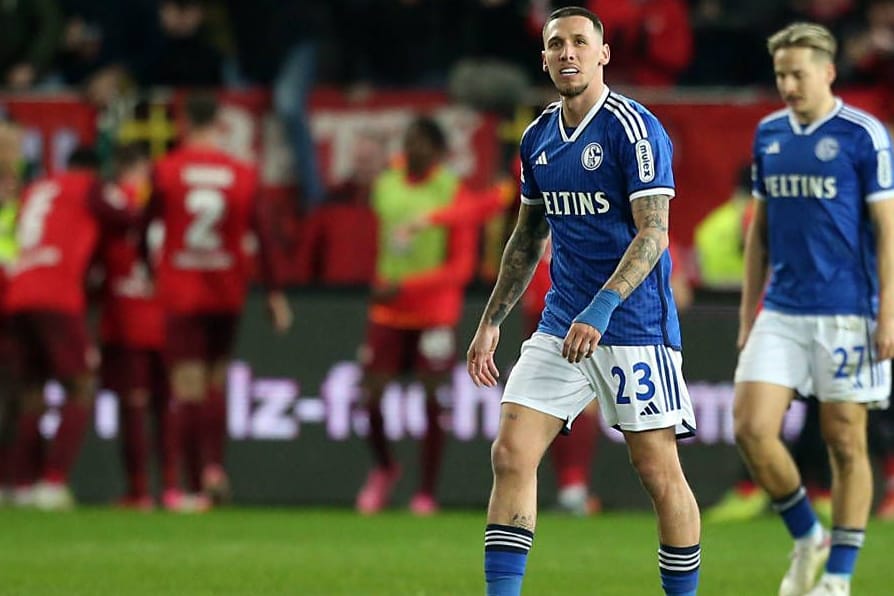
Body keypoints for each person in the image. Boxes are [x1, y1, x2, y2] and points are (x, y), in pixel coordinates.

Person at [466, 7, 700, 596]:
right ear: (543, 58)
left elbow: (654, 232)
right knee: (511, 453)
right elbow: (527, 236)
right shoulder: (539, 137)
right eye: (555, 44)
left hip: (634, 324)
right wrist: (491, 320)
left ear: (603, 54)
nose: (567, 52)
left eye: (579, 42)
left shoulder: (633, 129)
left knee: (656, 470)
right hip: (560, 322)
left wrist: (602, 309)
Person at [734, 22, 894, 596]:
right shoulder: (770, 134)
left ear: (827, 72)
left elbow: (887, 228)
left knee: (845, 439)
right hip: (782, 307)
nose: (788, 84)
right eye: (780, 74)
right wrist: (749, 311)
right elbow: (760, 231)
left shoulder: (862, 135)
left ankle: (839, 579)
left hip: (848, 310)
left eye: (797, 73)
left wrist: (889, 313)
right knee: (751, 428)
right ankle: (808, 535)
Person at [148, 93, 293, 509]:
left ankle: (183, 485)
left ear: (183, 124)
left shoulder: (167, 169)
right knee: (215, 381)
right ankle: (213, 466)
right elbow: (263, 237)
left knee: (185, 387)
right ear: (219, 124)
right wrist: (275, 293)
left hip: (180, 287)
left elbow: (144, 227)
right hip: (225, 290)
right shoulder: (242, 173)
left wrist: (148, 269)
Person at [354, 116, 479, 516]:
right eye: (408, 142)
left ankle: (426, 492)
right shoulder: (386, 185)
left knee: (433, 398)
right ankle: (386, 467)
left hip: (434, 314)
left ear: (439, 152)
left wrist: (406, 286)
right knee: (368, 396)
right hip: (387, 311)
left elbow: (460, 269)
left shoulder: (451, 191)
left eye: (421, 144)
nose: (412, 150)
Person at [5, 147, 139, 510]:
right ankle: (52, 482)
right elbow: (129, 219)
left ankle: (17, 485)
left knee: (28, 391)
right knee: (80, 386)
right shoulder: (90, 187)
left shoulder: (37, 188)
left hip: (16, 291)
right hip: (56, 294)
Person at [97, 143, 173, 510]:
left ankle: (139, 490)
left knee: (134, 405)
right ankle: (174, 488)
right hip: (168, 312)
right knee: (166, 404)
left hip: (126, 313)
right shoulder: (165, 200)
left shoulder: (108, 200)